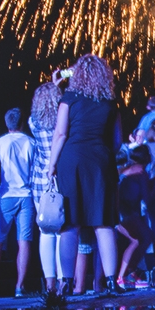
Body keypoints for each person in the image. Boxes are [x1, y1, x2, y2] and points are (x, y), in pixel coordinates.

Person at [47, 54, 121, 295]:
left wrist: (52, 165)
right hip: (100, 162)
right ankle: (111, 282)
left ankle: (67, 283)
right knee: (103, 223)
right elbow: (117, 141)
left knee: (70, 224)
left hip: (72, 161)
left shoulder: (68, 98)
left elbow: (60, 134)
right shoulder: (111, 102)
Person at [30, 81, 77, 295]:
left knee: (45, 231)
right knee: (62, 231)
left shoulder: (33, 123)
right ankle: (62, 281)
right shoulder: (63, 123)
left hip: (40, 182)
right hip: (60, 178)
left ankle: (49, 284)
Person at [0, 108, 36, 296]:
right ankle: (20, 286)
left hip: (6, 196)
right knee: (24, 241)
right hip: (26, 195)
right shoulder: (31, 142)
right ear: (22, 123)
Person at [115, 144, 154, 288]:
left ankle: (129, 273)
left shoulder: (125, 169)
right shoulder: (141, 173)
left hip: (118, 210)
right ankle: (124, 275)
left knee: (137, 239)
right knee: (141, 239)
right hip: (126, 211)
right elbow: (147, 199)